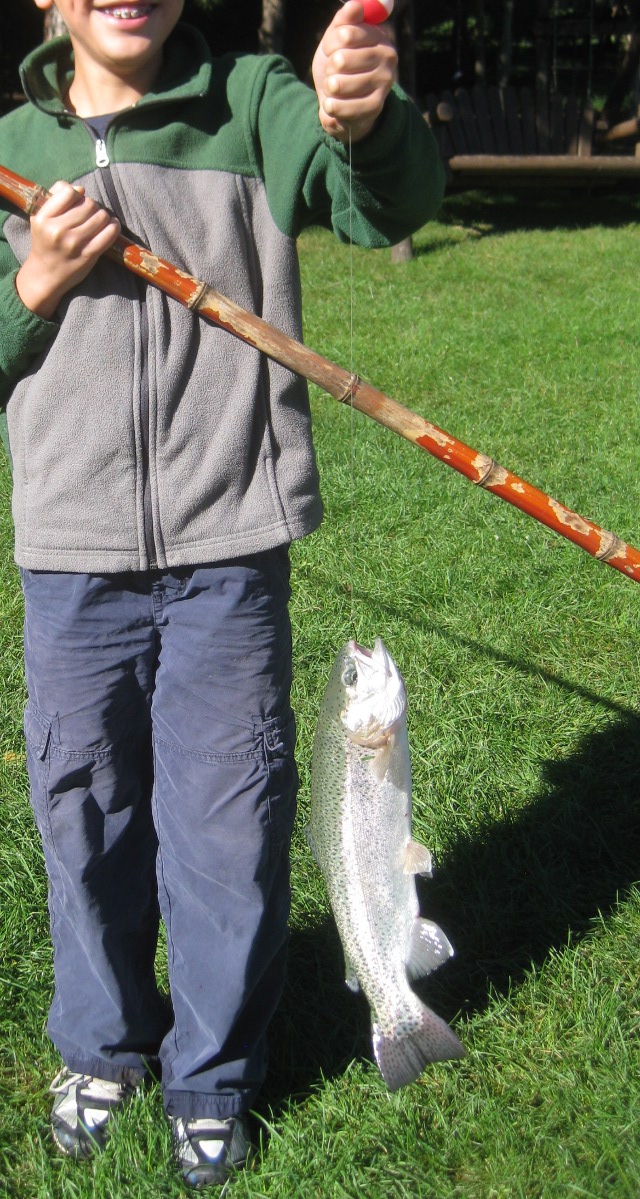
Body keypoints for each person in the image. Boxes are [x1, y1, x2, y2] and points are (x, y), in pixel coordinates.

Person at [0, 0, 445, 1187]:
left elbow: (381, 203)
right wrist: (30, 282)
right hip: (71, 552)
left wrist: (365, 118)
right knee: (83, 811)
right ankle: (102, 1046)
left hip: (228, 545)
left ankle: (212, 1075)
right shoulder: (15, 146)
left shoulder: (250, 104)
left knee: (226, 821)